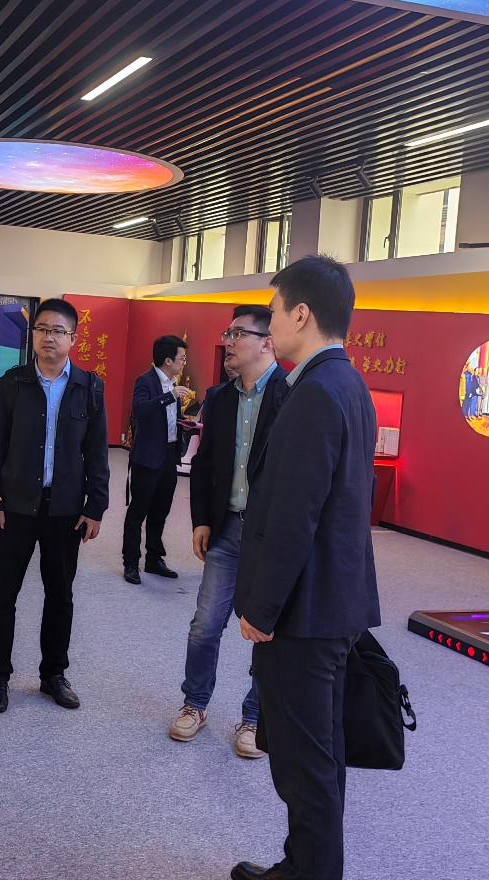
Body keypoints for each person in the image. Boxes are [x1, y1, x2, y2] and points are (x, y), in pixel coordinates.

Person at [231, 255, 381, 880]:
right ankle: (303, 866)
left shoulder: (318, 391)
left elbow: (296, 515)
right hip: (329, 603)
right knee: (317, 755)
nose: (267, 327)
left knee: (305, 764)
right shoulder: (345, 383)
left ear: (300, 314)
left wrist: (261, 610)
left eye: (272, 313)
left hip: (304, 612)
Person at [0, 298, 110, 713]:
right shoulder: (11, 383)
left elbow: (97, 453)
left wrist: (96, 506)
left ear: (73, 338)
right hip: (15, 506)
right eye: (41, 329)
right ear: (33, 335)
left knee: (60, 595)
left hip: (65, 510)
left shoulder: (89, 388)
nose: (48, 337)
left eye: (57, 331)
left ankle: (53, 674)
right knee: (3, 593)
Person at [172, 305, 287, 758]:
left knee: (266, 630)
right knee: (205, 625)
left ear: (266, 342)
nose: (228, 342)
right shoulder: (218, 398)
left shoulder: (293, 394)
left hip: (271, 537)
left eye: (238, 334)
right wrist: (201, 519)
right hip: (225, 529)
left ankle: (255, 718)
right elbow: (204, 466)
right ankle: (195, 704)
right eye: (228, 332)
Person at [122, 335, 190, 584]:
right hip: (148, 457)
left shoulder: (173, 383)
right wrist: (169, 396)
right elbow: (140, 410)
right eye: (182, 358)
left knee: (161, 510)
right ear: (168, 360)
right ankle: (131, 562)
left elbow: (167, 420)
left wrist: (184, 424)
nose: (184, 363)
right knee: (138, 510)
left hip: (169, 456)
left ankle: (154, 559)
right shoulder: (146, 381)